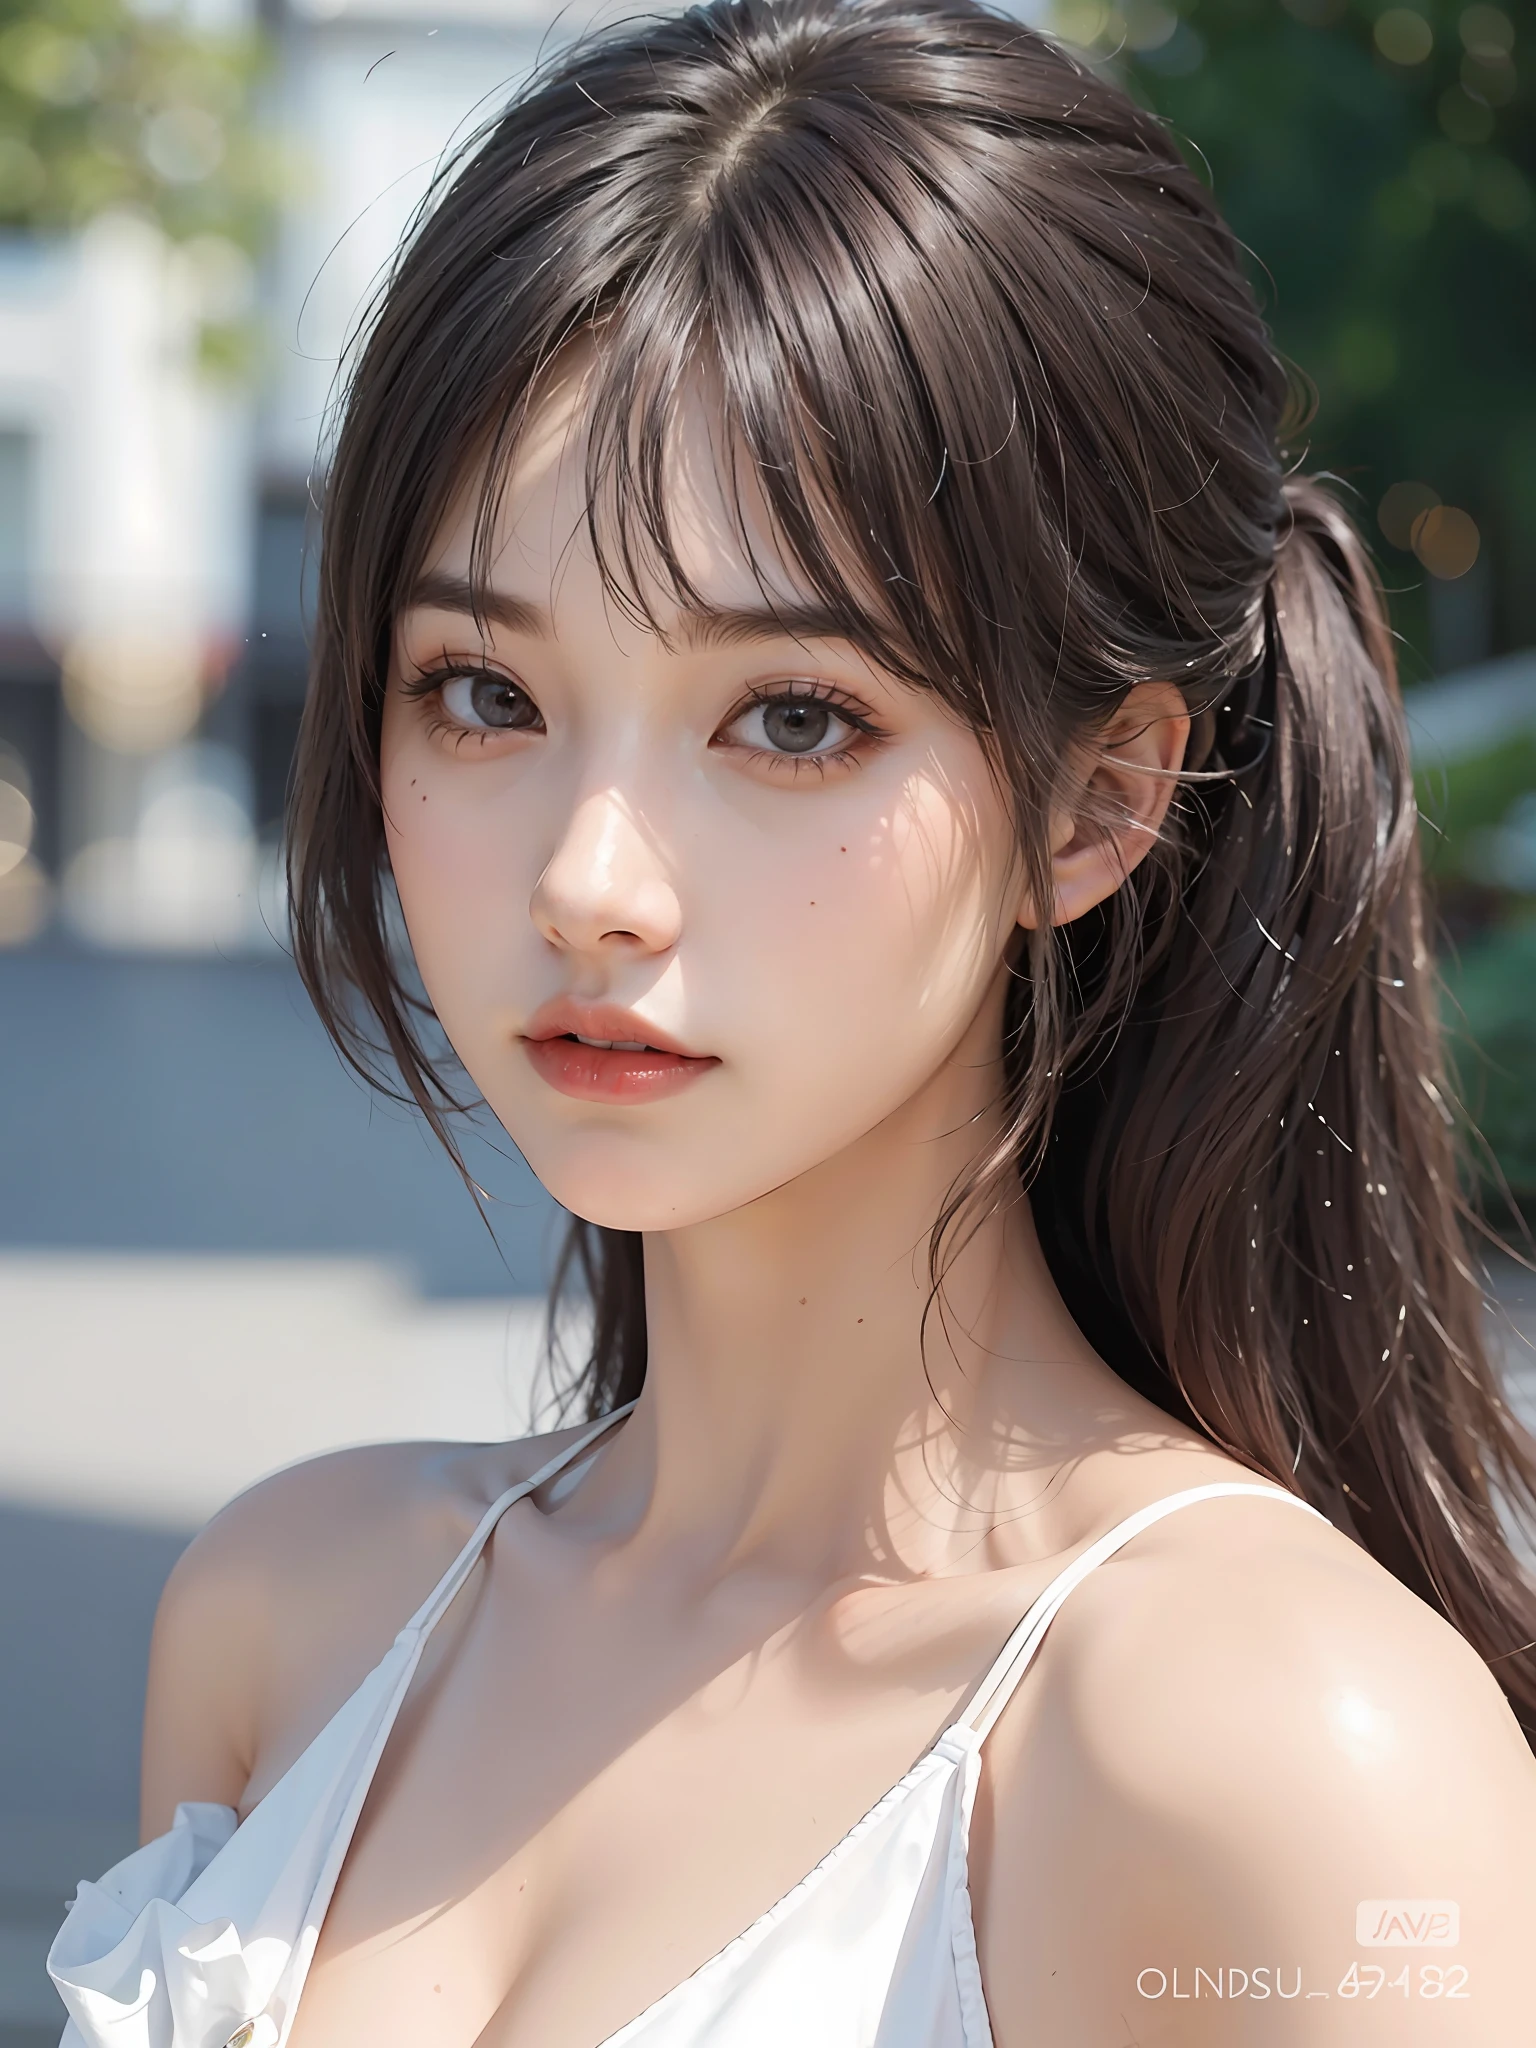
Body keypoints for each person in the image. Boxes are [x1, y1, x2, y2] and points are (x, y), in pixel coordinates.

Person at [48, 2, 1536, 2043]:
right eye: (483, 690)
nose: (590, 878)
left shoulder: (1267, 1753)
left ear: (1098, 799)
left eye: (793, 717)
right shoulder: (291, 1615)